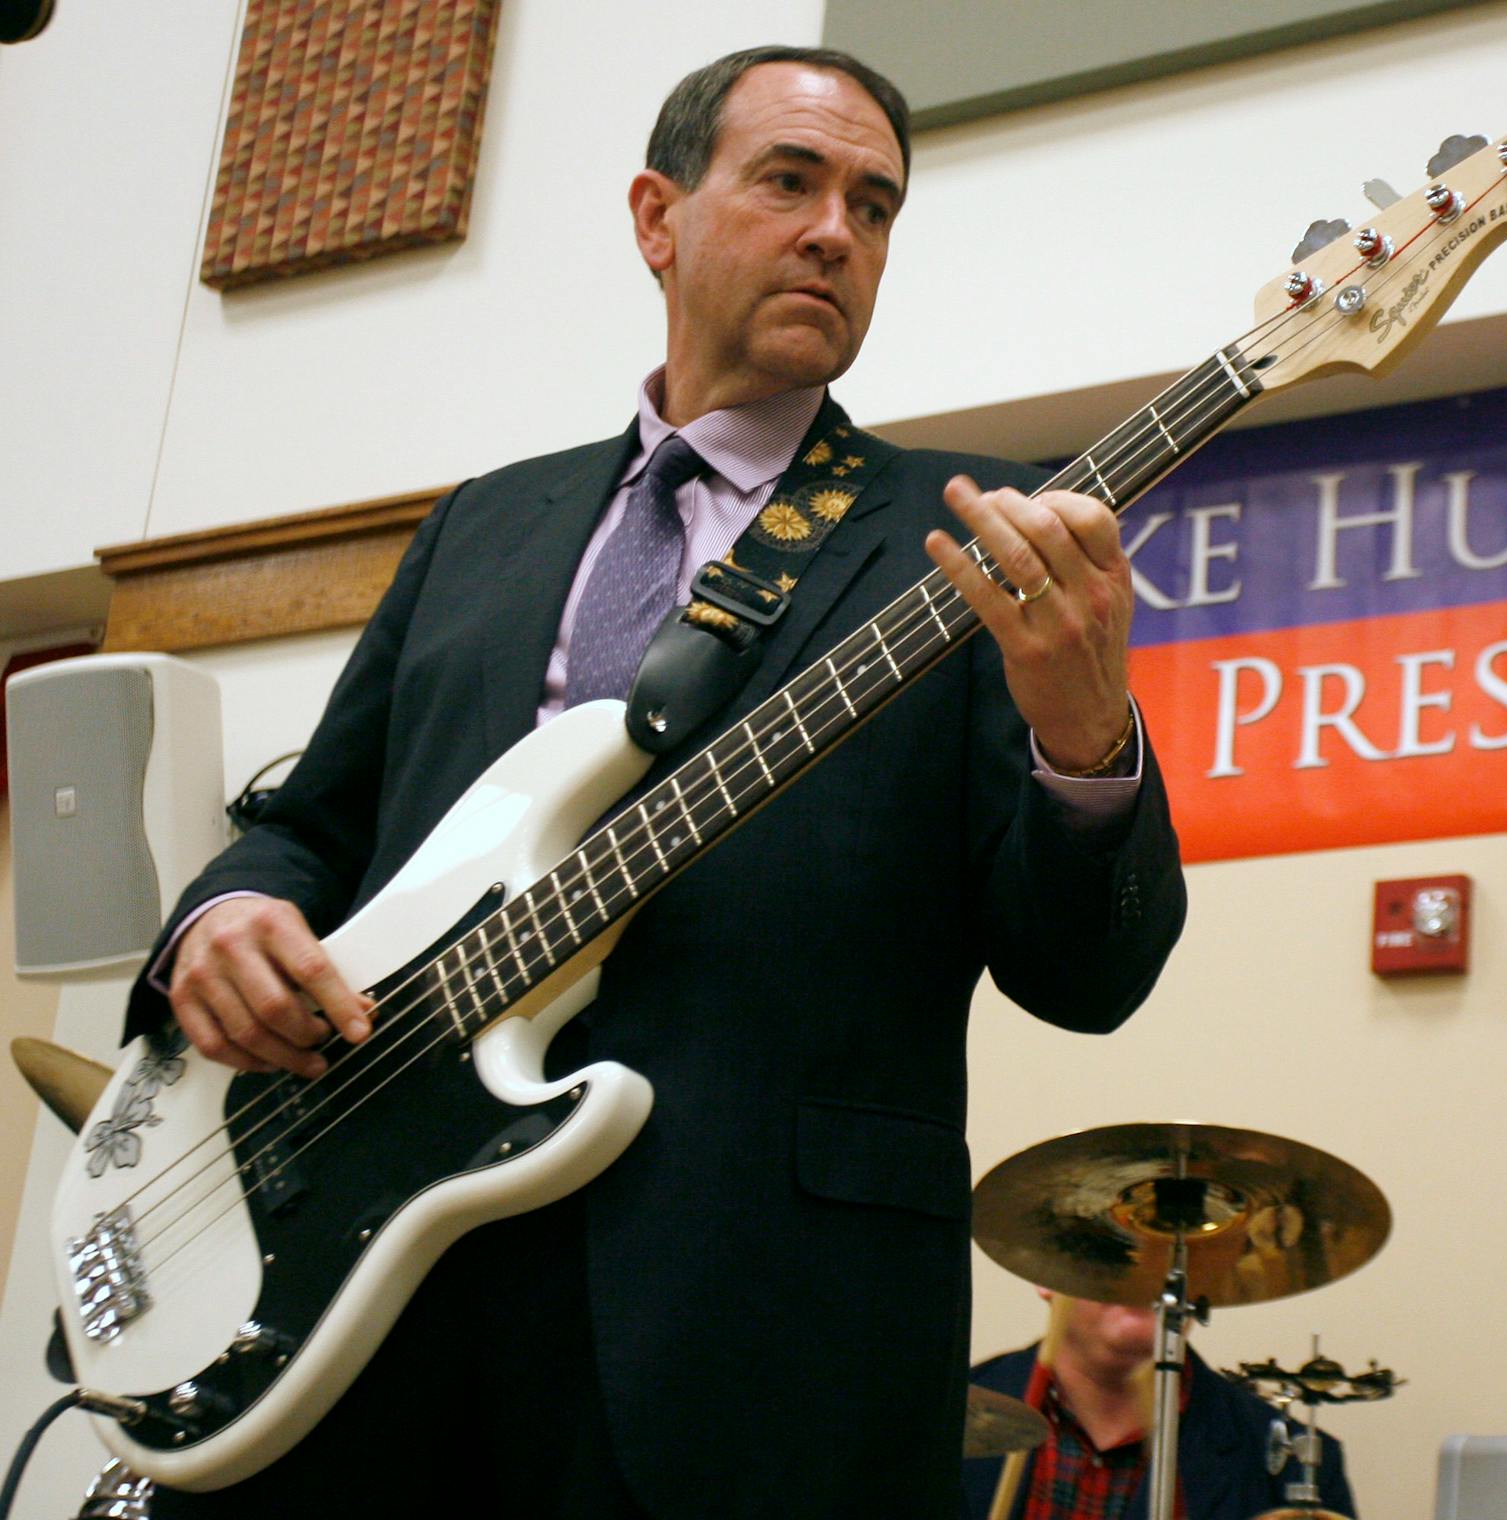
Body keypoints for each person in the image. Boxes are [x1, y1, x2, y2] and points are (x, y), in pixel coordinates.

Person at [127, 44, 1184, 1519]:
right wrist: (223, 921)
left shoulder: (957, 547)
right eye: (791, 181)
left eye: (875, 206)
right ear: (656, 217)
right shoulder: (481, 529)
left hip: (755, 1338)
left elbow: (1091, 974)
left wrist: (1084, 741)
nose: (836, 230)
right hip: (366, 1291)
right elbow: (312, 827)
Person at [963, 1295, 1357, 1519]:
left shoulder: (1296, 1467)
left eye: (1167, 1242)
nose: (1144, 1266)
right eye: (1117, 1240)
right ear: (1041, 1270)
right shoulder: (930, 1423)